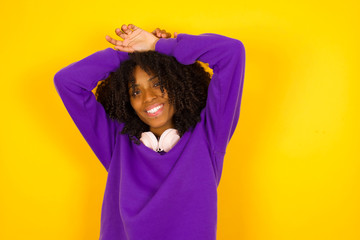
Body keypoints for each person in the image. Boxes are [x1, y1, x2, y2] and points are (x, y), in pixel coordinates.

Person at [54, 24, 245, 240]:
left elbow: (231, 52)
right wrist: (132, 53)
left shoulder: (209, 135)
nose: (148, 97)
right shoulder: (118, 143)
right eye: (136, 91)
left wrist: (159, 46)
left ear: (177, 84)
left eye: (158, 84)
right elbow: (67, 82)